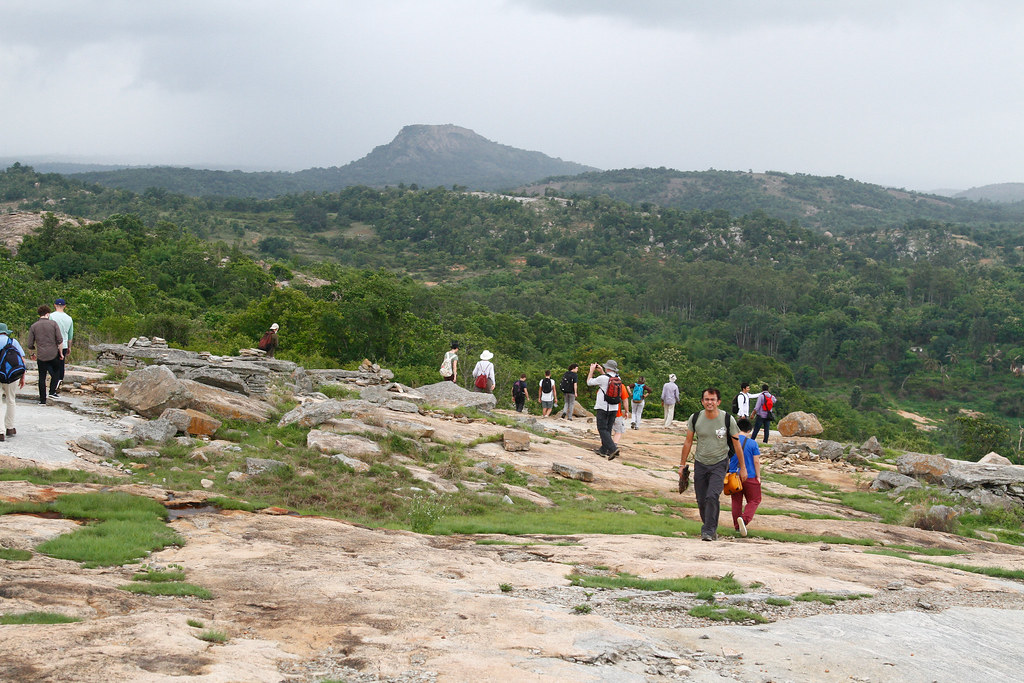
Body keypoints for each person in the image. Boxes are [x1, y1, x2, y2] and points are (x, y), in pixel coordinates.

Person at [678, 387, 745, 541]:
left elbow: (737, 445)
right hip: (700, 463)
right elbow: (688, 442)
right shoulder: (695, 418)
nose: (710, 402)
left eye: (713, 399)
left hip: (720, 463)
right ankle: (710, 528)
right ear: (702, 401)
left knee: (712, 496)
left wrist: (743, 468)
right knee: (701, 500)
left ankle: (708, 530)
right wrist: (682, 465)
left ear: (718, 402)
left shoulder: (727, 419)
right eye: (707, 399)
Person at [730, 418, 762, 537]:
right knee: (755, 500)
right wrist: (758, 476)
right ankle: (744, 520)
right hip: (750, 475)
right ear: (749, 430)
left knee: (736, 501)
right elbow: (756, 461)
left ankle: (737, 527)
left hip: (734, 476)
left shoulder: (731, 441)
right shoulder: (752, 443)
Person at [25, 305, 63, 405]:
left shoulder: (34, 326)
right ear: (47, 314)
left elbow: (30, 344)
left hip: (41, 355)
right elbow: (60, 340)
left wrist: (32, 354)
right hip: (53, 353)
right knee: (56, 372)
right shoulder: (53, 324)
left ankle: (42, 400)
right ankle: (52, 391)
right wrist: (60, 353)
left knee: (42, 377)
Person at [586, 359, 624, 460]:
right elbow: (608, 380)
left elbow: (589, 382)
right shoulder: (618, 378)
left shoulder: (602, 378)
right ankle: (603, 450)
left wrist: (591, 371)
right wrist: (602, 371)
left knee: (602, 428)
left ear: (607, 368)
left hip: (603, 407)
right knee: (608, 429)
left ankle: (612, 449)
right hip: (614, 407)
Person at [0, 323, 26, 441]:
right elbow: (21, 360)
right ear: (6, 332)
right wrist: (22, 377)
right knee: (11, 400)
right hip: (12, 376)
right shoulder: (13, 342)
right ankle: (9, 428)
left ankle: (0, 432)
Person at [49, 298, 73, 395]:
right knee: (61, 364)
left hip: (53, 344)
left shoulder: (51, 316)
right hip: (64, 344)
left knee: (49, 364)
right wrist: (69, 347)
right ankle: (59, 379)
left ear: (55, 305)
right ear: (64, 306)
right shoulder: (69, 318)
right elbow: (70, 335)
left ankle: (54, 378)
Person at [610, 383, 631, 448]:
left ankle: (606, 445)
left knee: (606, 430)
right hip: (617, 412)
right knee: (618, 431)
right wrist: (626, 411)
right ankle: (614, 446)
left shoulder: (604, 384)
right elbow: (625, 400)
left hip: (604, 412)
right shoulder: (621, 386)